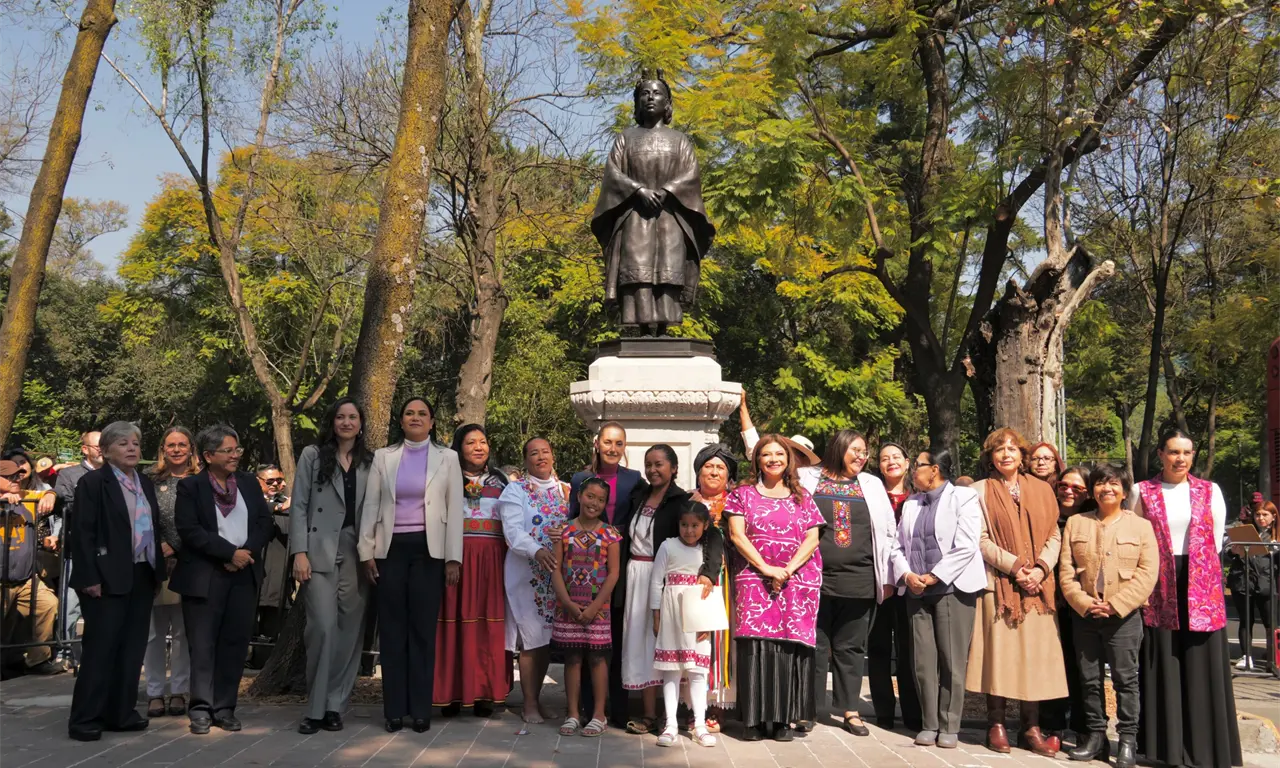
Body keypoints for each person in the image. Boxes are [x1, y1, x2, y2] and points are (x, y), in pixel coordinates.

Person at [1135, 429, 1242, 768]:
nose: (1180, 459)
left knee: (1200, 665)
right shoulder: (1142, 491)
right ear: (1160, 454)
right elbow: (1137, 537)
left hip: (1200, 584)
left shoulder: (1209, 491)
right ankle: (1162, 749)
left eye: (1186, 452)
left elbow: (1215, 539)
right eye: (1173, 452)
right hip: (1159, 582)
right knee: (1161, 659)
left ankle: (1206, 749)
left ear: (1193, 456)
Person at [358, 397, 464, 734]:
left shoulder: (448, 458)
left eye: (422, 414)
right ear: (401, 421)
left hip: (429, 553)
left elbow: (455, 509)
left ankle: (420, 710)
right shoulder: (384, 458)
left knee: (421, 632)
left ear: (432, 422)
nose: (415, 418)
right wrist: (366, 552)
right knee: (391, 631)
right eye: (409, 413)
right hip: (390, 551)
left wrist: (452, 558)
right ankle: (393, 711)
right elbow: (371, 504)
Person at [967, 428, 1068, 756]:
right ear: (990, 456)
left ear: (1022, 455)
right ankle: (995, 724)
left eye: (1012, 449)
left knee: (1034, 657)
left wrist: (1039, 569)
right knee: (1000, 655)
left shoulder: (1041, 489)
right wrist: (1016, 568)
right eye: (999, 449)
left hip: (1039, 587)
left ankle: (1030, 726)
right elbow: (980, 539)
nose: (1006, 454)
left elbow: (1054, 534)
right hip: (999, 585)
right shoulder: (980, 490)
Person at [171, 424, 273, 735]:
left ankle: (225, 708)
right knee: (203, 644)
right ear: (208, 455)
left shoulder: (247, 484)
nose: (235, 456)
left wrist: (245, 553)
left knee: (235, 642)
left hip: (244, 573)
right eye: (228, 451)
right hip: (205, 575)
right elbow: (189, 530)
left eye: (236, 450)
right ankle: (201, 708)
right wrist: (229, 553)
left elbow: (264, 522)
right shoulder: (191, 487)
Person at [797, 430, 898, 737]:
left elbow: (889, 532)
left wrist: (890, 576)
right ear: (839, 447)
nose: (861, 456)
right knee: (814, 644)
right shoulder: (807, 478)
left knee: (851, 648)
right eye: (856, 449)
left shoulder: (871, 484)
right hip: (815, 578)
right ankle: (808, 709)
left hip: (861, 579)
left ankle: (850, 710)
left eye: (865, 451)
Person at [1059, 464, 1159, 767]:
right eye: (1101, 484)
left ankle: (1127, 740)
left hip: (1123, 618)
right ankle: (1095, 737)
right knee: (1088, 679)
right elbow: (1065, 572)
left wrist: (1117, 605)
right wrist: (1084, 602)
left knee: (1125, 680)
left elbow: (1147, 572)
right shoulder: (1077, 523)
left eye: (1114, 484)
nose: (1107, 489)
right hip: (1085, 615)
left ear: (1125, 491)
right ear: (1093, 490)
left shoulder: (1141, 526)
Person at [67, 422, 162, 741]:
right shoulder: (94, 483)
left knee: (132, 649)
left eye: (136, 442)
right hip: (105, 577)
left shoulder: (145, 483)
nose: (132, 448)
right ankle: (85, 718)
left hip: (140, 573)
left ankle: (121, 712)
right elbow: (82, 534)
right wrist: (89, 577)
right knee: (100, 649)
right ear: (105, 451)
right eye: (123, 444)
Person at [726, 434, 824, 742]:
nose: (773, 459)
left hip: (794, 583)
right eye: (766, 454)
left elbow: (812, 538)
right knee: (755, 648)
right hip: (754, 580)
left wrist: (788, 569)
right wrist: (767, 569)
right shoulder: (741, 494)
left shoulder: (803, 496)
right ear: (757, 460)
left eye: (778, 454)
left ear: (788, 459)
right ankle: (753, 721)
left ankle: (784, 720)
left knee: (787, 650)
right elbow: (737, 535)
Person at [620, 444, 722, 735]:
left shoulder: (682, 500)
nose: (653, 470)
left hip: (668, 580)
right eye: (649, 464)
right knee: (640, 642)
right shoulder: (639, 496)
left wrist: (708, 574)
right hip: (637, 574)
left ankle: (675, 716)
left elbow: (712, 538)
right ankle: (649, 713)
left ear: (674, 468)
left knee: (667, 645)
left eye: (660, 464)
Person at [891, 448, 985, 749]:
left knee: (951, 659)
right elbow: (897, 547)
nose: (912, 472)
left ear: (935, 470)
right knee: (922, 661)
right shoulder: (911, 503)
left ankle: (949, 724)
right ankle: (928, 723)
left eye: (917, 466)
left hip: (951, 589)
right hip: (916, 592)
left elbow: (967, 545)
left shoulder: (964, 498)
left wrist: (934, 576)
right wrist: (907, 576)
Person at [290, 398, 373, 734]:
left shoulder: (371, 461)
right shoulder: (313, 456)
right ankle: (315, 707)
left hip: (358, 550)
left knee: (349, 632)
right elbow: (298, 506)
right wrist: (299, 552)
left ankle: (336, 705)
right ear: (332, 422)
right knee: (322, 628)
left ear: (361, 424)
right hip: (318, 547)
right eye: (340, 416)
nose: (346, 422)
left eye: (353, 417)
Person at [435, 423, 510, 718]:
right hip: (456, 560)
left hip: (492, 563)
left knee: (487, 625)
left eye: (483, 442)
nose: (479, 447)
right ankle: (451, 694)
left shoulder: (502, 482)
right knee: (453, 623)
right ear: (458, 447)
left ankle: (485, 693)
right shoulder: (445, 480)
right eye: (470, 443)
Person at [569, 422, 642, 723]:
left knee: (614, 634)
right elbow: (570, 521)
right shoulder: (580, 479)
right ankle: (585, 707)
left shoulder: (635, 480)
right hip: (584, 563)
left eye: (619, 443)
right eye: (608, 442)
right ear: (597, 443)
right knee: (585, 637)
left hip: (620, 560)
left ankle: (618, 708)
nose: (613, 449)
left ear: (625, 448)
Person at [499, 437, 570, 724]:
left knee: (545, 639)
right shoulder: (514, 491)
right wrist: (537, 550)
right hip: (527, 574)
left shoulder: (566, 490)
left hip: (557, 577)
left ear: (553, 456)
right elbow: (513, 532)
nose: (541, 457)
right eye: (533, 453)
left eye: (545, 452)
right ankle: (528, 703)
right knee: (531, 639)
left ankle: (537, 699)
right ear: (526, 459)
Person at [552, 478, 621, 738]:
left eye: (601, 499)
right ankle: (572, 713)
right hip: (568, 606)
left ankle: (599, 715)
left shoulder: (610, 534)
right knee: (572, 659)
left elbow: (613, 574)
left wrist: (595, 607)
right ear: (579, 496)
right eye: (590, 496)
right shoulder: (563, 531)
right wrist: (568, 603)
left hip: (598, 609)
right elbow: (556, 569)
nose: (594, 503)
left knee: (597, 658)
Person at [651, 503, 722, 748]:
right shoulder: (668, 546)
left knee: (698, 672)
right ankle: (670, 724)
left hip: (697, 617)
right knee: (671, 670)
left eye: (695, 525)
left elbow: (709, 588)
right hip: (671, 615)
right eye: (684, 525)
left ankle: (700, 725)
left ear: (704, 526)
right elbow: (655, 583)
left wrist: (706, 622)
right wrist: (656, 615)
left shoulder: (707, 550)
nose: (689, 530)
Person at [144, 426, 199, 718]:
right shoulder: (150, 480)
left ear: (191, 449)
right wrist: (158, 547)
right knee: (153, 633)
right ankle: (154, 692)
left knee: (181, 632)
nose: (176, 449)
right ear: (163, 449)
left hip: (189, 561)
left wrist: (175, 546)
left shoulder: (201, 480)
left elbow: (202, 522)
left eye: (182, 444)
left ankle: (179, 690)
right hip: (154, 562)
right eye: (170, 445)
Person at [870, 441, 922, 732]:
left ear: (906, 461)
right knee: (878, 647)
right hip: (878, 582)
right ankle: (884, 713)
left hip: (911, 583)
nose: (890, 462)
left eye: (895, 457)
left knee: (909, 648)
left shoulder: (920, 498)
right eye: (883, 458)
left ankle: (913, 712)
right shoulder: (871, 497)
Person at [690, 443, 738, 732]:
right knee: (694, 636)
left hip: (727, 579)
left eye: (721, 467)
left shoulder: (737, 504)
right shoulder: (685, 503)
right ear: (698, 472)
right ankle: (693, 705)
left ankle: (718, 704)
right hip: (691, 579)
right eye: (709, 466)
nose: (714, 471)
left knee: (721, 640)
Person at [0, 459, 63, 676]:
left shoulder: (28, 498)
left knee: (48, 605)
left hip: (25, 577)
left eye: (17, 475)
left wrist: (50, 495)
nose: (15, 479)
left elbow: (55, 494)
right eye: (8, 476)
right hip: (2, 577)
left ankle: (38, 660)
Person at [1042, 466, 1091, 742]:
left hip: (1082, 604)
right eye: (1063, 485)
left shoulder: (1093, 520)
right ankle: (1054, 726)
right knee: (1054, 664)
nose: (1068, 491)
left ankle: (1086, 729)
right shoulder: (1047, 517)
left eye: (1077, 488)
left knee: (1084, 668)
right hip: (1050, 600)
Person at [52, 430, 102, 656]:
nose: (102, 450)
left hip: (109, 550)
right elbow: (67, 503)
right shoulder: (70, 475)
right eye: (97, 446)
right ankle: (65, 651)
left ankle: (100, 651)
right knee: (71, 604)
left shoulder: (117, 473)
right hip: (78, 548)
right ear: (85, 449)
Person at [1226, 501, 1278, 670]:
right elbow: (1228, 553)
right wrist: (1233, 551)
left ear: (1273, 516)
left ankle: (1273, 657)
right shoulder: (1245, 531)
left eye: (1265, 515)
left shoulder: (1276, 536)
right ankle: (1246, 655)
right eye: (1258, 515)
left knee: (1270, 621)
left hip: (1266, 582)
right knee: (1245, 620)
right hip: (1243, 581)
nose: (1261, 518)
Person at [253, 463, 292, 658]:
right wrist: (276, 507)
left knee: (273, 615)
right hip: (255, 568)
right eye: (270, 481)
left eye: (279, 479)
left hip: (280, 570)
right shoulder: (251, 501)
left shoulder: (288, 503)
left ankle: (264, 658)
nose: (276, 484)